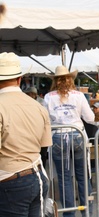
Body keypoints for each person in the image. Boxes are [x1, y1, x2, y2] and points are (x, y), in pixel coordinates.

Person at [0, 52, 52, 217]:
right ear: (19, 79)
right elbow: (44, 149)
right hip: (37, 175)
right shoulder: (37, 106)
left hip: (10, 178)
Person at [43, 65, 94, 217]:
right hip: (77, 134)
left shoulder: (48, 97)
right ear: (71, 79)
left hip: (58, 136)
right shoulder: (79, 96)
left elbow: (45, 119)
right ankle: (87, 212)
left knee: (64, 178)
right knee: (83, 176)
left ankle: (69, 213)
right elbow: (90, 118)